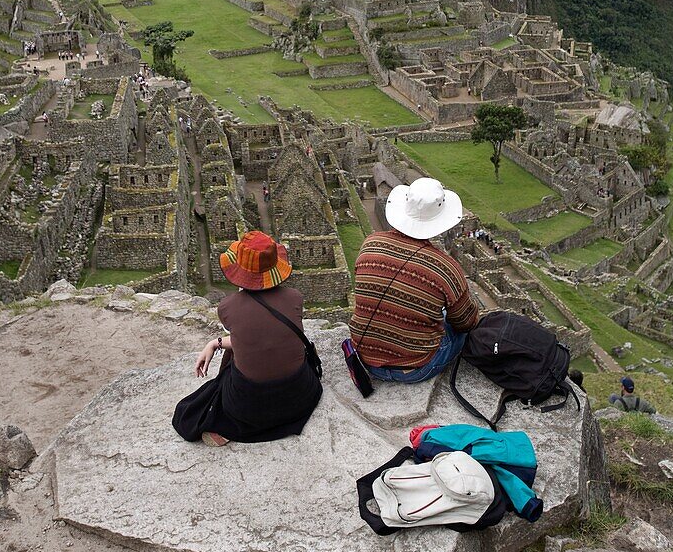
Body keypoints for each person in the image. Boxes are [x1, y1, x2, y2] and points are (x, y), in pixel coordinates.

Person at [172, 230, 323, 446]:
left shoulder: (228, 307)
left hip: (250, 407)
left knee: (198, 403)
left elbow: (247, 338)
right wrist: (215, 344)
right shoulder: (294, 298)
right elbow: (257, 338)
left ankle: (227, 426)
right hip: (300, 397)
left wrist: (216, 343)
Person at [349, 177, 479, 384]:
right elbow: (466, 323)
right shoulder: (445, 268)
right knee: (458, 326)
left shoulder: (370, 244)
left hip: (365, 358)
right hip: (415, 367)